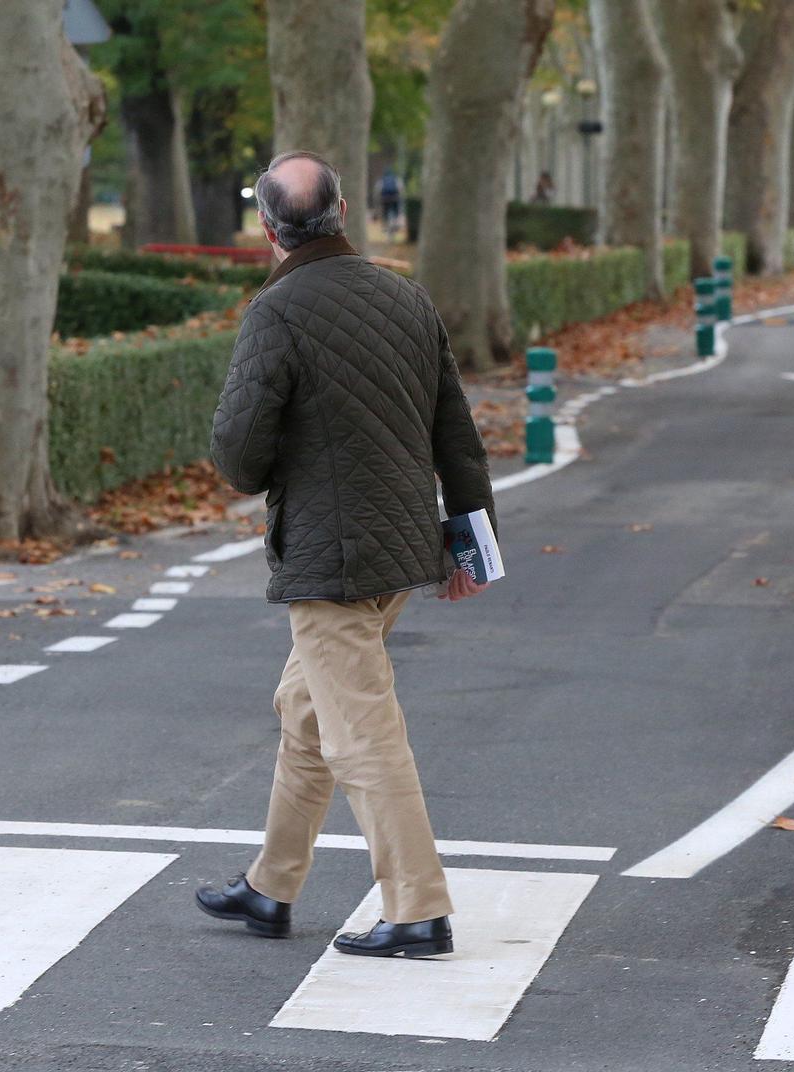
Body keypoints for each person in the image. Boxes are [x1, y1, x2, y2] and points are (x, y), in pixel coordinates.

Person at [197, 150, 496, 959]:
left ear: (268, 227)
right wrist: (473, 546)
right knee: (307, 712)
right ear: (344, 211)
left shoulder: (277, 311)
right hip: (404, 549)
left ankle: (418, 908)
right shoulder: (406, 297)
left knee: (361, 733)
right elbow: (456, 435)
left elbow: (240, 458)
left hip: (330, 562)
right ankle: (270, 886)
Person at [377, 167, 404, 236]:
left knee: (385, 213)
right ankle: (395, 224)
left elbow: (378, 189)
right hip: (395, 198)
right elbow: (400, 189)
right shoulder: (396, 179)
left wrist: (379, 198)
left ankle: (385, 226)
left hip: (385, 199)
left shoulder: (382, 180)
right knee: (396, 212)